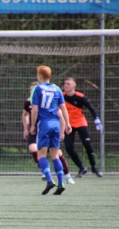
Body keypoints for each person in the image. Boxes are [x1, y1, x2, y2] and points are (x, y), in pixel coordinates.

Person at [30, 66, 72, 195]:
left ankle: (49, 180)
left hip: (44, 124)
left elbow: (35, 110)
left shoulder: (37, 89)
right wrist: (67, 124)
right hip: (56, 124)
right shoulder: (57, 89)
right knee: (55, 155)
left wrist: (32, 125)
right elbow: (63, 108)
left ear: (40, 76)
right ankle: (61, 183)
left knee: (41, 155)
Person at [22, 81, 75, 184]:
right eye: (32, 89)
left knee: (56, 153)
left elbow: (61, 116)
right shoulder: (29, 102)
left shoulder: (48, 102)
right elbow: (25, 114)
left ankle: (67, 175)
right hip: (36, 129)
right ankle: (45, 172)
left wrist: (62, 132)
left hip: (47, 127)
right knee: (33, 148)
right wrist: (26, 128)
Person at [63, 77, 103, 178]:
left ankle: (94, 167)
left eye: (68, 84)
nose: (66, 85)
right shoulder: (61, 96)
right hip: (68, 125)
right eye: (65, 84)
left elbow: (91, 109)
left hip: (80, 123)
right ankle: (81, 168)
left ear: (74, 86)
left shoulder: (80, 97)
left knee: (87, 145)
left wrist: (97, 122)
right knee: (68, 148)